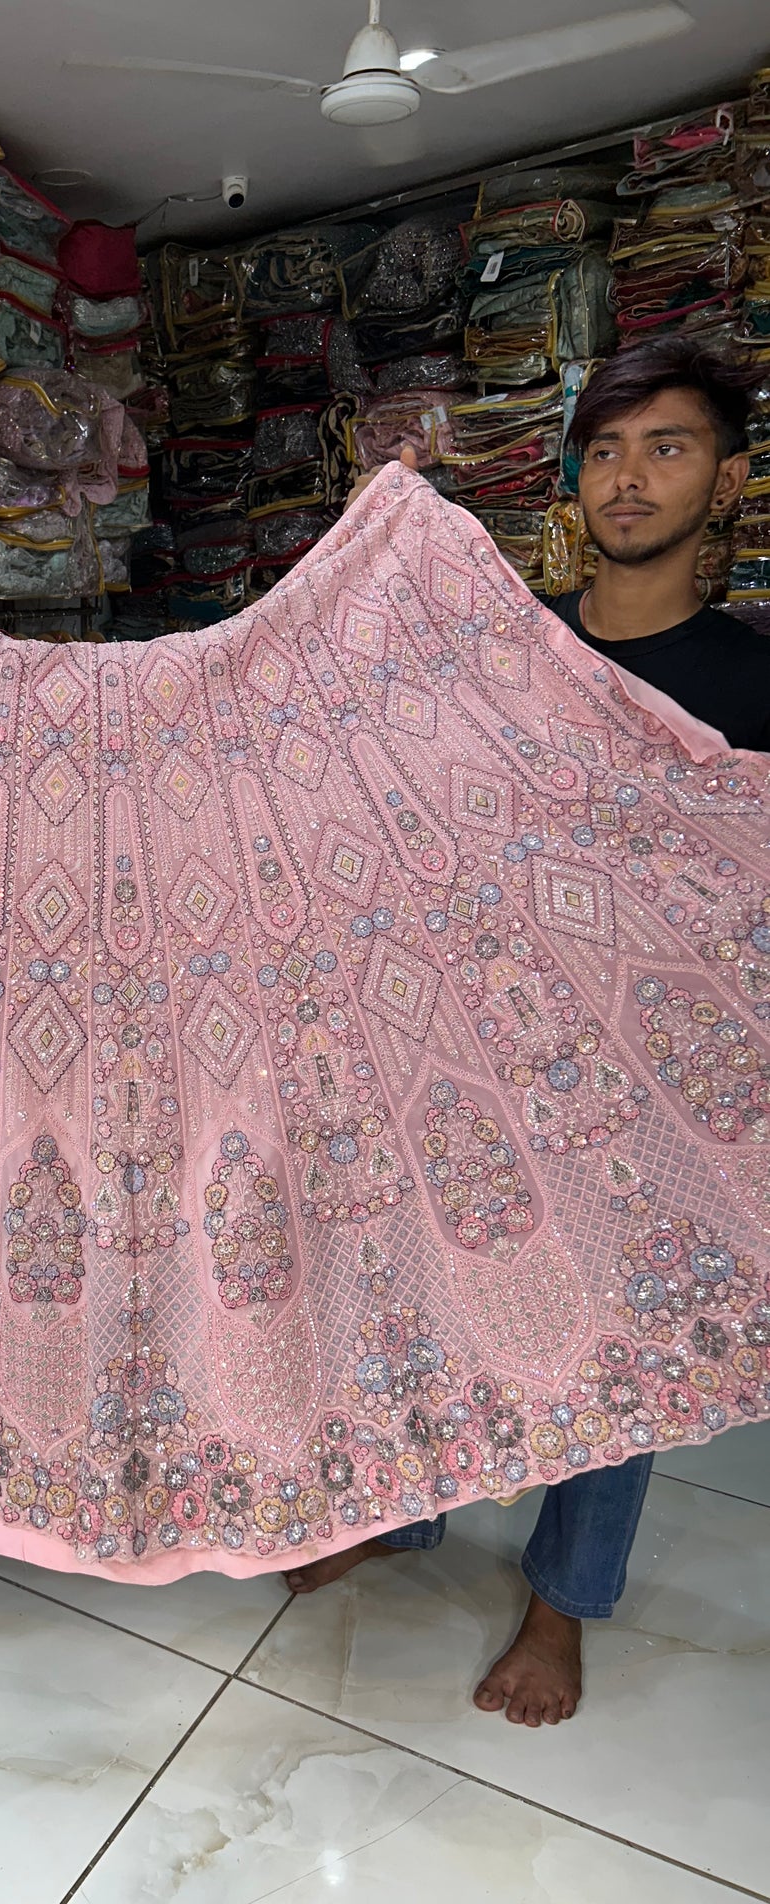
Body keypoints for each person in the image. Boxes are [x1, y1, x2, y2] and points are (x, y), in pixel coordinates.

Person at [286, 336, 760, 1725]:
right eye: (603, 452)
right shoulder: (506, 651)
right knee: (426, 1287)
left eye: (664, 448)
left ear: (724, 481)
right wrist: (378, 553)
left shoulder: (747, 683)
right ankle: (407, 1512)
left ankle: (562, 1605)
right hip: (479, 1046)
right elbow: (376, 766)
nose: (626, 479)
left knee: (625, 1338)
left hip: (654, 1080)